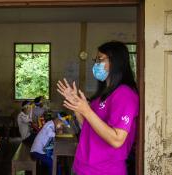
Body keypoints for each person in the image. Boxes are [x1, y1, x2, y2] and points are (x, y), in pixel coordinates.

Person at [57, 41, 139, 175]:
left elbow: (117, 140)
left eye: (100, 59)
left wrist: (87, 111)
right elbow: (87, 127)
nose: (96, 64)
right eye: (95, 60)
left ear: (116, 62)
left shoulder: (125, 94)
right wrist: (76, 105)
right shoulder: (102, 95)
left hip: (105, 170)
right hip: (84, 166)